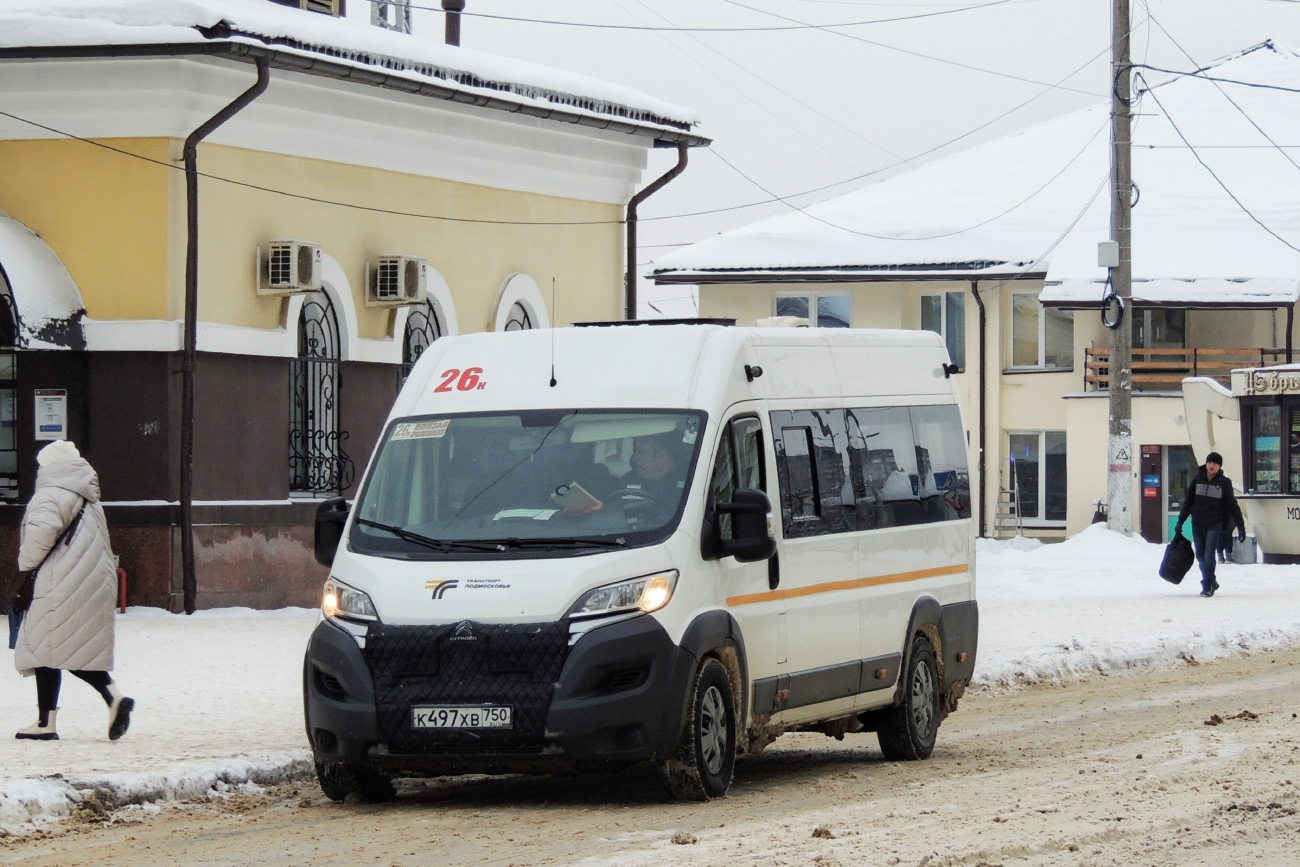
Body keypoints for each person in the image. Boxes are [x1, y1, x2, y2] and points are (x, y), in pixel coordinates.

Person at [13, 440, 133, 741]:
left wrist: (22, 572)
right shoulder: (88, 497)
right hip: (91, 581)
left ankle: (46, 723)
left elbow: (39, 539)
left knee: (45, 648)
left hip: (60, 582)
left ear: (50, 466)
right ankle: (111, 695)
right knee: (64, 648)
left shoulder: (50, 495)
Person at [1174, 451, 1245, 598]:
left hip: (1214, 524)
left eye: (1214, 464)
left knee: (1208, 556)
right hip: (1197, 524)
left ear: (1219, 466)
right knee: (1200, 556)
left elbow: (1232, 505)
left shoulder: (1224, 483)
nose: (1211, 466)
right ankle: (1212, 580)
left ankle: (1207, 585)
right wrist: (1180, 522)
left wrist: (1241, 526)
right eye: (1209, 463)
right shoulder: (1197, 480)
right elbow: (1188, 502)